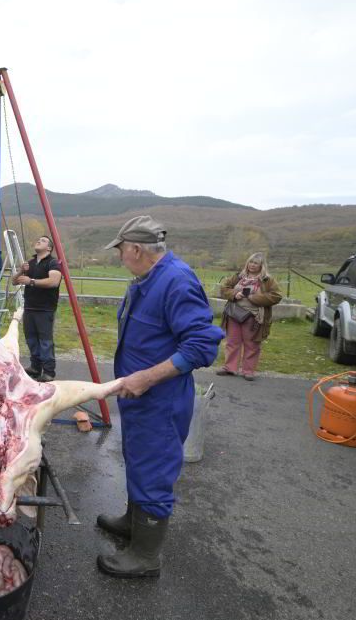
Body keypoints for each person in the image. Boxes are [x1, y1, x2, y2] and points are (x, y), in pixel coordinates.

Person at [95, 216, 223, 579]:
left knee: (153, 468)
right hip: (138, 397)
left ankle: (146, 555)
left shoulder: (176, 281)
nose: (120, 257)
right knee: (137, 458)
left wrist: (147, 378)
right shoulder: (147, 279)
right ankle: (134, 521)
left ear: (136, 249)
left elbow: (202, 345)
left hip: (159, 400)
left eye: (121, 250)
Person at [217, 253, 282, 381]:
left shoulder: (267, 280)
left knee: (252, 344)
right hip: (233, 314)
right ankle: (230, 368)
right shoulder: (238, 276)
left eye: (256, 263)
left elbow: (276, 295)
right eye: (250, 262)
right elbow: (224, 288)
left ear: (261, 265)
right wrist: (235, 294)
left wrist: (254, 298)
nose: (252, 265)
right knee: (232, 342)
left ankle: (248, 371)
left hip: (254, 318)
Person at [12, 235, 63, 381]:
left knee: (45, 342)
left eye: (43, 240)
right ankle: (35, 367)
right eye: (38, 239)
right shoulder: (30, 263)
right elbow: (14, 282)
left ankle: (48, 372)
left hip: (45, 309)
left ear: (49, 248)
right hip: (29, 308)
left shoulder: (53, 263)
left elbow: (54, 281)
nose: (39, 240)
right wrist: (21, 271)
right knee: (31, 340)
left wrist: (31, 281)